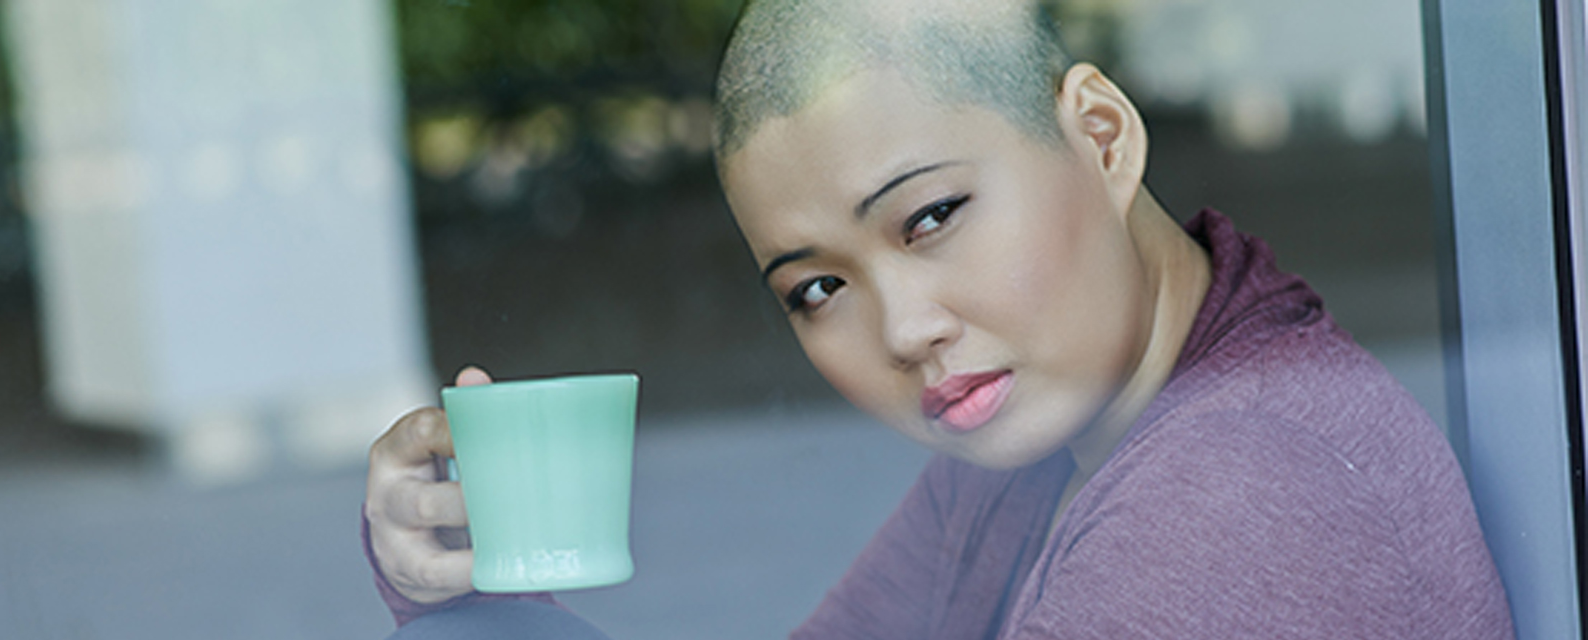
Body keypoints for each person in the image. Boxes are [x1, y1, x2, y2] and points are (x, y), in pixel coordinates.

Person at [363, 0, 1515, 637]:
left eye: (931, 217)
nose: (905, 327)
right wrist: (462, 586)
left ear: (1101, 139)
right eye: (817, 288)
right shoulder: (1035, 440)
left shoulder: (1242, 495)